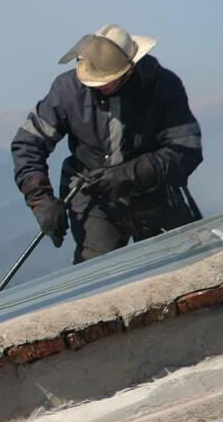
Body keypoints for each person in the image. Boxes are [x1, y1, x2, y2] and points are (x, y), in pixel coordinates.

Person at [11, 24, 202, 264]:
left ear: (129, 70)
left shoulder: (164, 87)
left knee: (184, 264)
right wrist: (41, 201)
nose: (99, 87)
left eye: (107, 82)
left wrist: (127, 176)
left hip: (156, 193)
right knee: (96, 271)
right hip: (93, 198)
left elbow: (185, 150)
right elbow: (28, 144)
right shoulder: (67, 91)